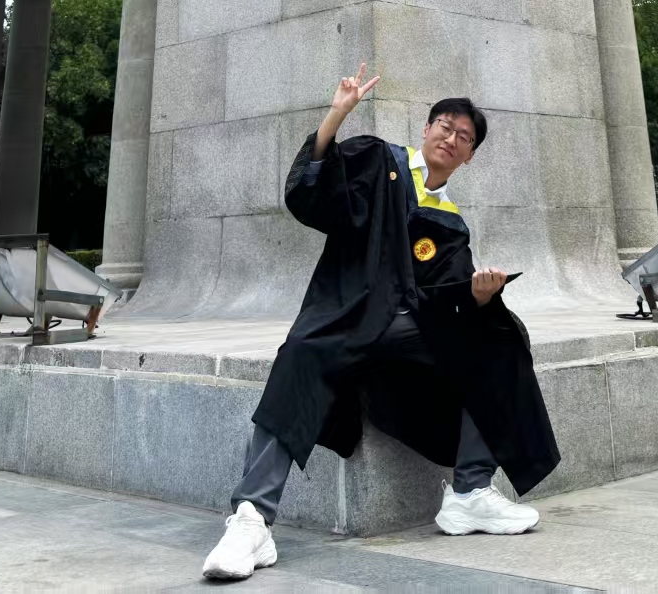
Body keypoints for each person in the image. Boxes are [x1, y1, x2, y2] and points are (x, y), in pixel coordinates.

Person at [202, 66, 560, 581]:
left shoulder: (452, 224)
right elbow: (312, 197)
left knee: (500, 330)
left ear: (470, 156)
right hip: (348, 315)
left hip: (406, 337)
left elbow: (447, 302)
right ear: (427, 129)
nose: (451, 138)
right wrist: (336, 116)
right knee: (300, 353)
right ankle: (252, 520)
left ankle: (470, 491)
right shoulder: (378, 160)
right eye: (445, 126)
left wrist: (479, 296)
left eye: (464, 137)